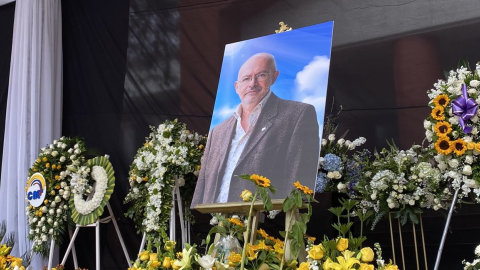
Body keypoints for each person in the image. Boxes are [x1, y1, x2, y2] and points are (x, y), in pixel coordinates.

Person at [191, 53, 319, 207]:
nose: (252, 83)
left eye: (261, 75)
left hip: (261, 223)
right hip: (214, 222)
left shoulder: (297, 115)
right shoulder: (217, 131)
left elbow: (298, 178)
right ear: (237, 87)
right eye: (246, 79)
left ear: (274, 77)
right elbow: (202, 186)